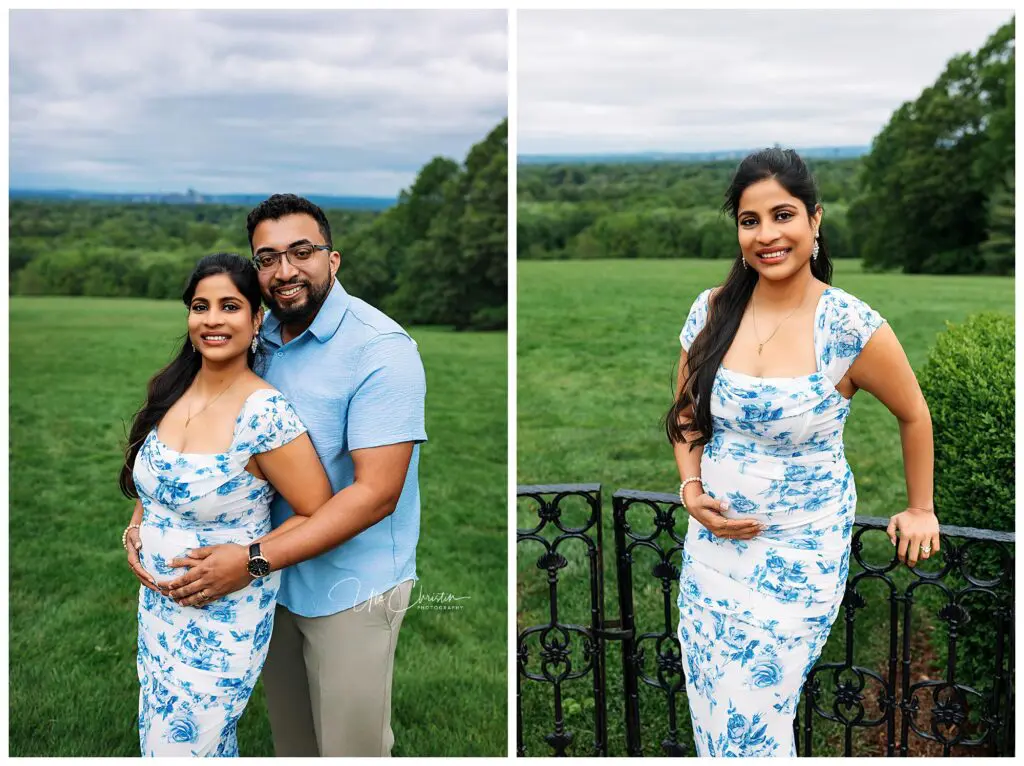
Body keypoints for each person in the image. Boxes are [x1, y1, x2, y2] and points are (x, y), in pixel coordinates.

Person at [665, 148, 940, 758]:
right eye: (749, 220)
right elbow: (687, 414)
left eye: (782, 215)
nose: (767, 235)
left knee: (753, 725)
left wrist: (921, 508)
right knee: (713, 711)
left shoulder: (849, 327)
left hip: (796, 558)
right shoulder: (712, 311)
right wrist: (691, 490)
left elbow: (913, 413)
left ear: (815, 221)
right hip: (711, 557)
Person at [156, 194, 428, 757]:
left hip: (349, 584)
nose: (284, 270)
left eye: (301, 252)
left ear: (333, 259)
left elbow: (376, 494)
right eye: (268, 257)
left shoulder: (381, 350)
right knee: (294, 744)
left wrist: (252, 558)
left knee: (350, 749)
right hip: (265, 580)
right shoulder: (258, 337)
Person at [121, 252, 334, 756]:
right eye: (200, 306)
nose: (212, 319)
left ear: (256, 319)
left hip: (221, 615)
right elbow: (157, 484)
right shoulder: (171, 389)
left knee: (191, 746)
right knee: (159, 737)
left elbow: (316, 511)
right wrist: (137, 526)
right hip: (157, 610)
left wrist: (251, 560)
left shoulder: (265, 415)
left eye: (230, 306)